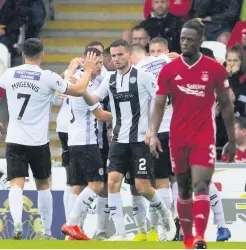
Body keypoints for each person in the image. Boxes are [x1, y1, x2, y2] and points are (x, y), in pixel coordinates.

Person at [0, 38, 100, 239]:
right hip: (38, 141)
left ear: (22, 55)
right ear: (42, 54)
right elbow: (78, 90)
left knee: (16, 184)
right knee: (43, 185)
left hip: (15, 139)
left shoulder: (8, 74)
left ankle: (17, 224)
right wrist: (87, 69)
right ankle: (45, 233)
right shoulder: (47, 77)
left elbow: (50, 91)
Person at [149, 20, 236, 249]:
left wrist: (231, 140)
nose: (185, 42)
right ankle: (188, 238)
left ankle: (199, 235)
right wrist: (153, 133)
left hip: (204, 138)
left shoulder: (215, 69)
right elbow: (158, 105)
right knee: (184, 189)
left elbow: (226, 105)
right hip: (177, 138)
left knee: (200, 185)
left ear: (199, 40)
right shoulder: (169, 70)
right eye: (182, 39)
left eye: (189, 39)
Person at [79, 39, 176, 241]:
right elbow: (94, 99)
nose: (117, 59)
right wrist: (83, 86)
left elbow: (162, 101)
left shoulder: (144, 76)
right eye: (113, 56)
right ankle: (122, 234)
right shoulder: (110, 79)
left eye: (120, 55)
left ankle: (166, 216)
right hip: (118, 140)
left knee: (143, 188)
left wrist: (152, 129)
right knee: (113, 182)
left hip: (140, 140)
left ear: (129, 55)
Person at [61, 47, 112, 240]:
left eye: (100, 63)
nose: (99, 67)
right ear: (87, 62)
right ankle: (72, 224)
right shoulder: (85, 84)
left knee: (78, 184)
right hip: (87, 142)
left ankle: (70, 234)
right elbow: (99, 114)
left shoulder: (74, 79)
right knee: (97, 185)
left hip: (74, 141)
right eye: (96, 63)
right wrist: (125, 117)